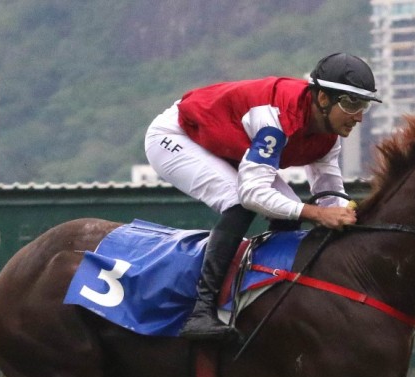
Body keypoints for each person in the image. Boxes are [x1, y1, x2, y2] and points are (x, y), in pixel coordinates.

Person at [144, 52, 381, 343]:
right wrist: (317, 214)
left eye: (364, 105)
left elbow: (330, 198)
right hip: (177, 136)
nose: (358, 116)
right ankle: (201, 311)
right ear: (322, 98)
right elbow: (253, 195)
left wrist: (351, 220)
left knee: (288, 215)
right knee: (239, 203)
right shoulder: (276, 119)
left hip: (229, 143)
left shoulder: (328, 137)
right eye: (351, 104)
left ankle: (264, 297)